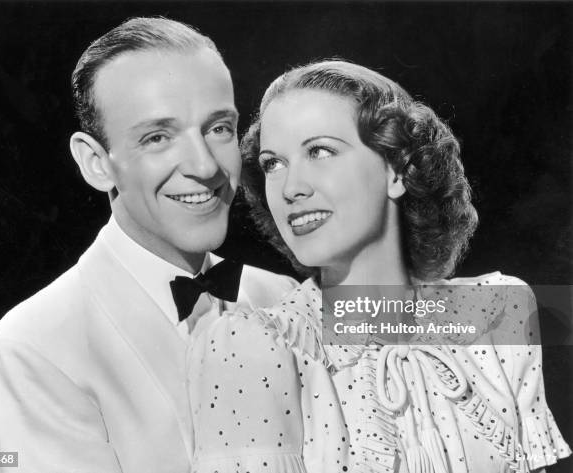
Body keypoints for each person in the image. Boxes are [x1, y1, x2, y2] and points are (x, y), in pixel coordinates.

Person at [187, 60, 571, 472]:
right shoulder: (251, 349)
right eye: (272, 164)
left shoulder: (496, 316)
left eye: (319, 151)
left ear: (396, 170)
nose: (292, 188)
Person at [0, 17, 296, 473]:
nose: (204, 166)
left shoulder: (282, 296)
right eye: (157, 137)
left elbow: (416, 324)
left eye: (219, 127)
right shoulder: (29, 351)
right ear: (96, 163)